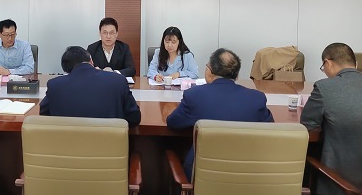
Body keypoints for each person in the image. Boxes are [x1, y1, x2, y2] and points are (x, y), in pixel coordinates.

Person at [300, 43, 362, 195]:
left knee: (309, 154)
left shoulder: (324, 87)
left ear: (328, 63)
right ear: (356, 64)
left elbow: (308, 130)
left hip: (342, 188)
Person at [166, 48, 273, 178]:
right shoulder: (256, 99)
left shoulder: (194, 95)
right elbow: (270, 131)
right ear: (237, 76)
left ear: (209, 70)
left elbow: (173, 123)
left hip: (202, 178)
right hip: (246, 177)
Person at [40, 46, 141, 127]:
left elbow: (44, 113)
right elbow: (134, 118)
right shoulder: (118, 81)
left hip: (66, 145)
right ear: (91, 61)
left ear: (66, 70)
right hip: (108, 145)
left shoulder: (55, 85)